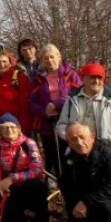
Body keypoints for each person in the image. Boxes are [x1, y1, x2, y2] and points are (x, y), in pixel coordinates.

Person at [55, 63, 111, 157]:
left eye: (100, 78)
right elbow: (61, 125)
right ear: (83, 78)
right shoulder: (72, 99)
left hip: (109, 154)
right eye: (92, 77)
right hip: (78, 153)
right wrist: (73, 139)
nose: (96, 81)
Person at [0, 114, 48, 222]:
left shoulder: (29, 143)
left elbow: (36, 169)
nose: (9, 130)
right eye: (5, 128)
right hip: (9, 187)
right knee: (10, 220)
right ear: (0, 131)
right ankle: (18, 218)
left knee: (38, 186)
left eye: (12, 127)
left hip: (27, 184)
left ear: (19, 129)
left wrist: (12, 178)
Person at [28, 44, 82, 177]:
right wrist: (44, 111)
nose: (49, 60)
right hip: (47, 122)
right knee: (52, 154)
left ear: (58, 57)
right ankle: (55, 182)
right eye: (45, 58)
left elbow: (78, 95)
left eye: (52, 57)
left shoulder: (70, 75)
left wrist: (57, 105)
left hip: (69, 120)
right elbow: (32, 101)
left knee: (69, 153)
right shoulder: (38, 79)